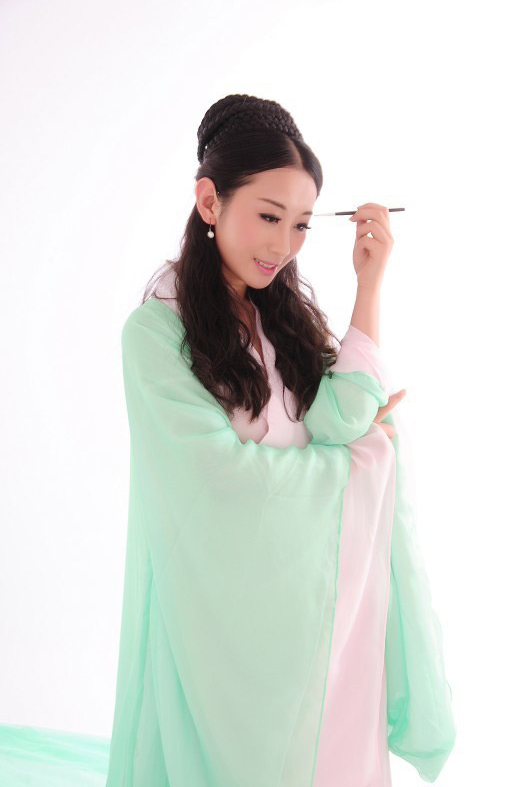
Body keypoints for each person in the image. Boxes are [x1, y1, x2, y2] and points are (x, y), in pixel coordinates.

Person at [0, 93, 456, 786]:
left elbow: (339, 421)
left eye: (301, 225)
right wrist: (365, 459)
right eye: (268, 217)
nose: (283, 246)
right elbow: (219, 482)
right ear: (209, 201)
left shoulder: (287, 322)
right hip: (218, 628)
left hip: (311, 617)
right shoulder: (157, 334)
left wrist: (369, 284)